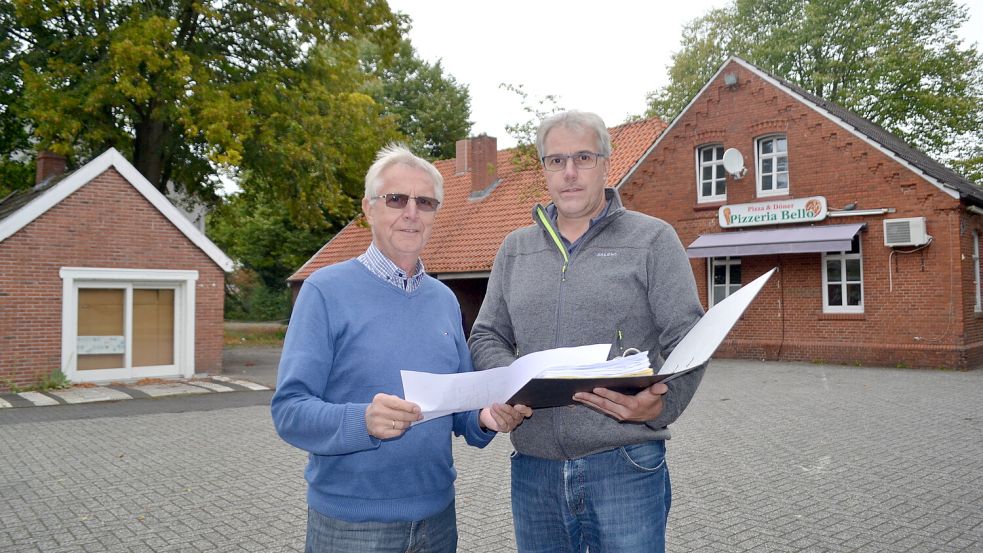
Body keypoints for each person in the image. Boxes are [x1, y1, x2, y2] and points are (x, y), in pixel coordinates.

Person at [272, 144, 531, 553]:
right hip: (351, 527)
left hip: (438, 520)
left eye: (425, 202)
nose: (412, 212)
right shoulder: (324, 291)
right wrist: (364, 420)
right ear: (368, 208)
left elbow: (459, 406)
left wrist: (485, 417)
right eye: (396, 199)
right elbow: (289, 411)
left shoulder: (444, 300)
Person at [468, 110, 706, 553]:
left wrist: (659, 406)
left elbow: (688, 336)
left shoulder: (653, 240)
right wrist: (510, 382)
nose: (570, 173)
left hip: (624, 462)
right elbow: (486, 335)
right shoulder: (514, 249)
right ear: (544, 169)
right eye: (556, 161)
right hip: (534, 469)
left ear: (606, 164)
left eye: (583, 157)